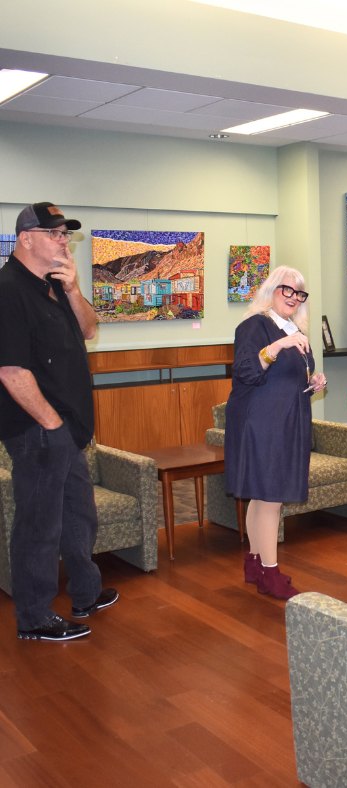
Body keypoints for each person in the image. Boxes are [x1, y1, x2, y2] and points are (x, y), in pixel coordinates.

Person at [0, 202, 117, 641]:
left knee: (79, 514)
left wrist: (73, 289)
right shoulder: (8, 290)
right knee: (39, 524)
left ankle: (86, 593)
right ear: (25, 239)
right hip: (37, 431)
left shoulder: (54, 285)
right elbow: (11, 371)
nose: (63, 241)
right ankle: (33, 616)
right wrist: (51, 426)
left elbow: (89, 329)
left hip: (66, 427)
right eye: (54, 234)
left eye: (65, 234)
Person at [225, 266, 326, 599]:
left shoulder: (295, 330)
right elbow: (246, 371)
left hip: (286, 420)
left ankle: (254, 563)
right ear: (272, 290)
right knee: (270, 497)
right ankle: (270, 572)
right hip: (261, 423)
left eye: (299, 293)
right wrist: (279, 345)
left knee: (260, 496)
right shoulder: (255, 326)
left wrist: (312, 381)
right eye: (288, 290)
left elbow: (290, 378)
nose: (294, 298)